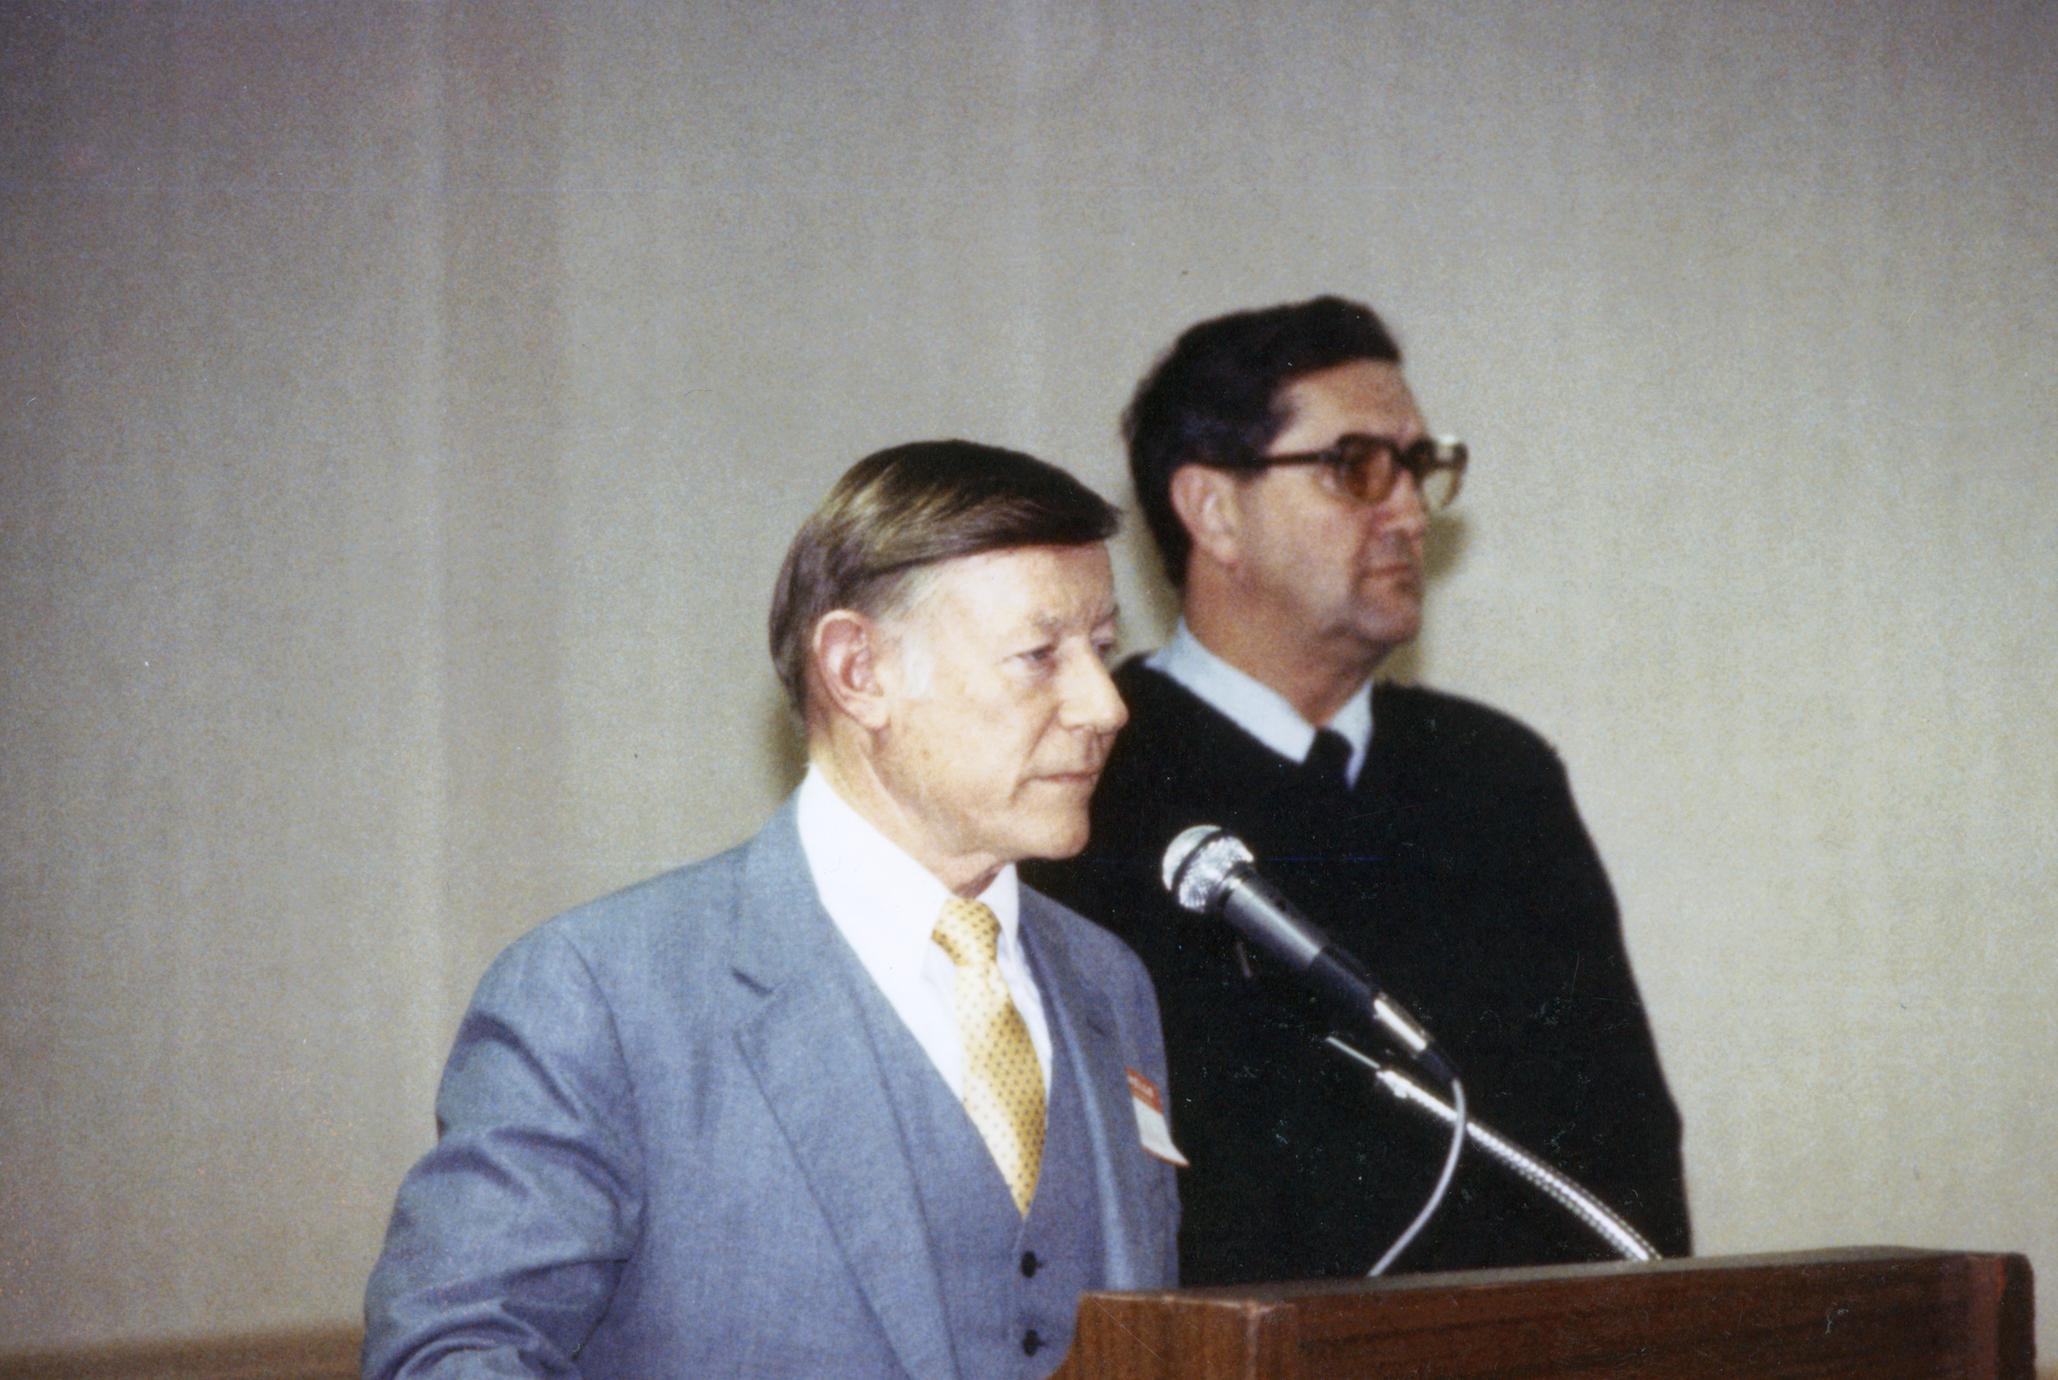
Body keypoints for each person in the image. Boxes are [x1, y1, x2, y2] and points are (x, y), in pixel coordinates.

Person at [364, 441, 1180, 1377]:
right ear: (858, 669)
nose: (1105, 705)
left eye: (1102, 650)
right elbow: (449, 1354)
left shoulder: (1108, 981)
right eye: (1039, 657)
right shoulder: (605, 993)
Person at [1024, 297, 1690, 1285]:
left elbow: (1625, 1150)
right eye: (1357, 467)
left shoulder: (1499, 776)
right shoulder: (1082, 778)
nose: (1411, 514)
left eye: (1417, 467)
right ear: (1213, 510)